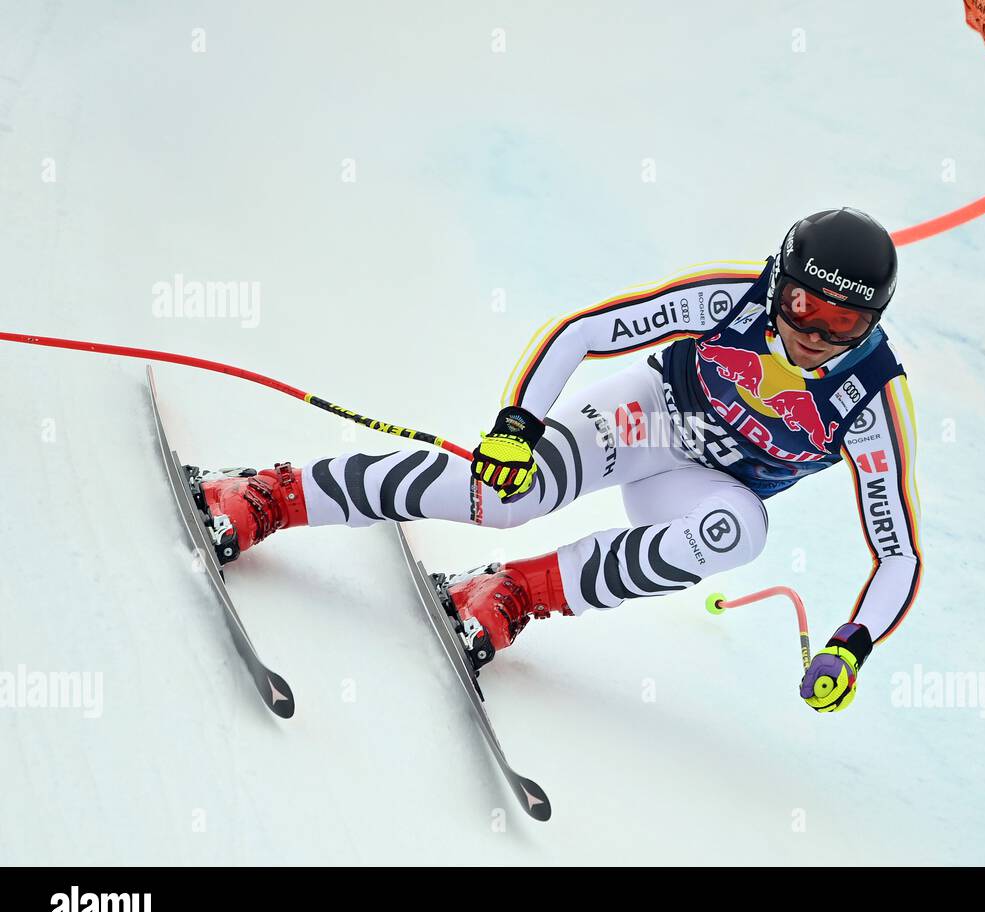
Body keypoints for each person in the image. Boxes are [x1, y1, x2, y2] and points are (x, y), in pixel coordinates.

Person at [196, 208, 921, 713]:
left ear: (873, 322)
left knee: (740, 533)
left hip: (700, 487)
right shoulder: (734, 296)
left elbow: (898, 555)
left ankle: (509, 594)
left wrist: (849, 647)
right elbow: (583, 332)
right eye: (802, 304)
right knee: (510, 497)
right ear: (779, 282)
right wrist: (517, 426)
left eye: (843, 321)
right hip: (648, 417)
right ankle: (272, 493)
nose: (815, 332)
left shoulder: (871, 402)